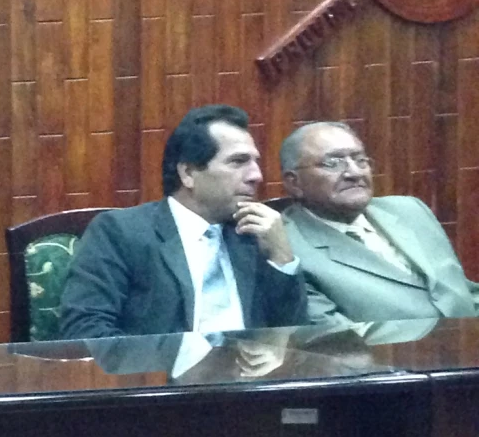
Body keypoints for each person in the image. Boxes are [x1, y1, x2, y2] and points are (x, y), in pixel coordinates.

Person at [56, 104, 307, 339]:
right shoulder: (121, 232)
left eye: (255, 162)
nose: (257, 176)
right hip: (162, 381)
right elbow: (85, 331)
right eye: (238, 162)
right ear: (188, 173)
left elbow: (296, 339)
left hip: (252, 381)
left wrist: (282, 258)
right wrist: (170, 368)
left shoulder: (255, 234)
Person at [278, 121, 477, 323]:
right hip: (403, 353)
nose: (355, 173)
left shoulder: (409, 210)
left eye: (360, 160)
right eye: (333, 163)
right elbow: (333, 335)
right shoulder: (286, 248)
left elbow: (462, 291)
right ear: (295, 183)